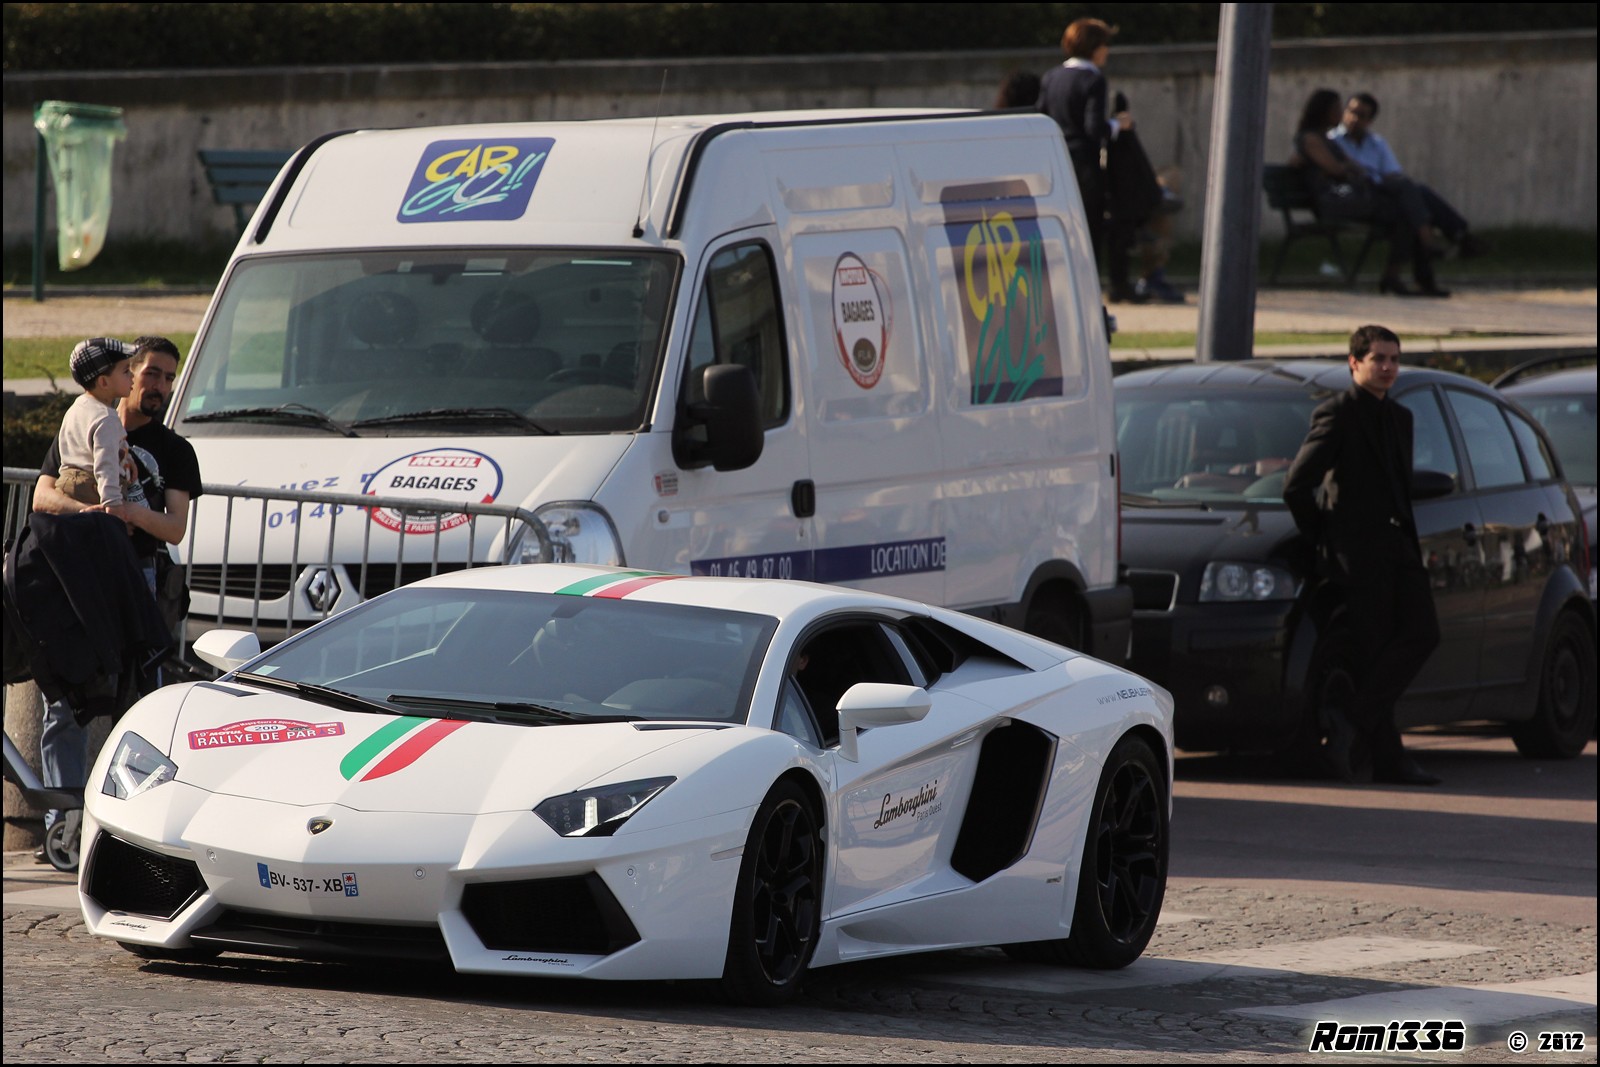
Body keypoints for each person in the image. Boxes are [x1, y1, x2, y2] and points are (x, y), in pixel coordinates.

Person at [30, 335, 203, 859]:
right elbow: (42, 493)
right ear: (123, 375)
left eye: (169, 378)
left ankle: (131, 830)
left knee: (138, 705)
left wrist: (125, 515)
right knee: (62, 700)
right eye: (150, 373)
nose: (159, 387)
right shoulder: (85, 419)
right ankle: (64, 825)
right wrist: (90, 515)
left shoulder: (175, 449)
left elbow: (174, 528)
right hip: (75, 574)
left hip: (138, 578)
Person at [1282, 325, 1442, 787]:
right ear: (1355, 364)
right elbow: (1297, 485)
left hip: (1399, 549)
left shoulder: (1402, 418)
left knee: (1422, 633)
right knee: (1374, 653)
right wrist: (1326, 537)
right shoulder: (1336, 413)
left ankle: (1352, 718)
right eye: (1379, 359)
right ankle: (1390, 759)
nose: (1388, 367)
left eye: (1394, 359)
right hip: (1358, 556)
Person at [1288, 89, 1446, 298]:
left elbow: (1351, 166)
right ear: (1323, 111)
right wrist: (1345, 168)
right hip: (1336, 201)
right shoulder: (1311, 139)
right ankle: (1426, 240)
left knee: (1405, 210)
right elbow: (1337, 169)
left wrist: (1348, 167)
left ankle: (1396, 275)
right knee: (1406, 198)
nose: (1340, 114)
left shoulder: (1327, 140)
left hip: (1349, 197)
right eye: (1337, 109)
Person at [1038, 17, 1144, 303]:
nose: (1107, 51)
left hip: (1056, 165)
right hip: (1084, 167)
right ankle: (1088, 292)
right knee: (1089, 232)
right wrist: (1118, 125)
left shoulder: (1051, 77)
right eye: (1105, 44)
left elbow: (1041, 118)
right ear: (1095, 47)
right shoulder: (1093, 79)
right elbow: (1093, 129)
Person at [1331, 93, 1490, 260]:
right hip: (1355, 194)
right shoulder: (1333, 140)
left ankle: (1446, 243)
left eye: (1361, 115)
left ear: (1370, 120)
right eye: (1351, 111)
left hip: (1383, 192)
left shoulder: (1376, 143)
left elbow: (1393, 172)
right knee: (1413, 197)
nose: (1354, 118)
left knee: (1414, 198)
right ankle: (1446, 238)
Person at [54, 338, 141, 509]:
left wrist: (127, 459)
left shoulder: (77, 408)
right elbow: (105, 464)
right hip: (92, 488)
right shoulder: (106, 417)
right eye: (125, 371)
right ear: (103, 382)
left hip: (66, 484)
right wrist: (113, 506)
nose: (133, 376)